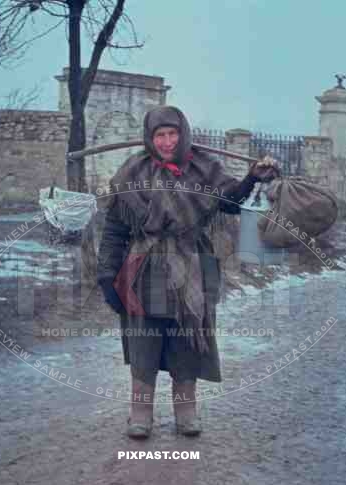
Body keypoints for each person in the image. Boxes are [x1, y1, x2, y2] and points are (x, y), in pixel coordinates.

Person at [96, 105, 279, 439]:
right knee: (144, 343)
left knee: (186, 341)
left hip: (192, 265)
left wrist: (253, 177)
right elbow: (114, 229)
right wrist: (107, 274)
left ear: (183, 134)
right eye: (159, 135)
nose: (167, 142)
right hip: (143, 267)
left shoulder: (203, 169)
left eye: (172, 134)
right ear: (150, 138)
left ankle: (186, 412)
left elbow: (231, 202)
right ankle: (140, 415)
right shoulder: (132, 172)